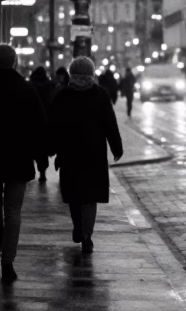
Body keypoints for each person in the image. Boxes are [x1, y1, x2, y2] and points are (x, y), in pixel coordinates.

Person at [48, 55, 123, 254]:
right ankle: (87, 234)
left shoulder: (63, 95)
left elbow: (53, 124)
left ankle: (78, 226)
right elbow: (110, 123)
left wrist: (50, 147)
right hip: (94, 153)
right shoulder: (100, 94)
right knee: (90, 196)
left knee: (73, 193)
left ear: (72, 74)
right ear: (91, 73)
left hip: (70, 152)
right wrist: (116, 147)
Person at [0, 44, 48, 283]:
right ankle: (7, 262)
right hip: (18, 159)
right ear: (15, 62)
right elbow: (39, 126)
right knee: (13, 212)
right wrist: (42, 158)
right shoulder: (26, 89)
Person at [29, 66, 55, 181]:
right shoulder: (49, 86)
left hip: (32, 120)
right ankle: (42, 172)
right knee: (42, 149)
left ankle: (30, 170)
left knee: (30, 146)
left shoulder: (30, 86)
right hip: (46, 120)